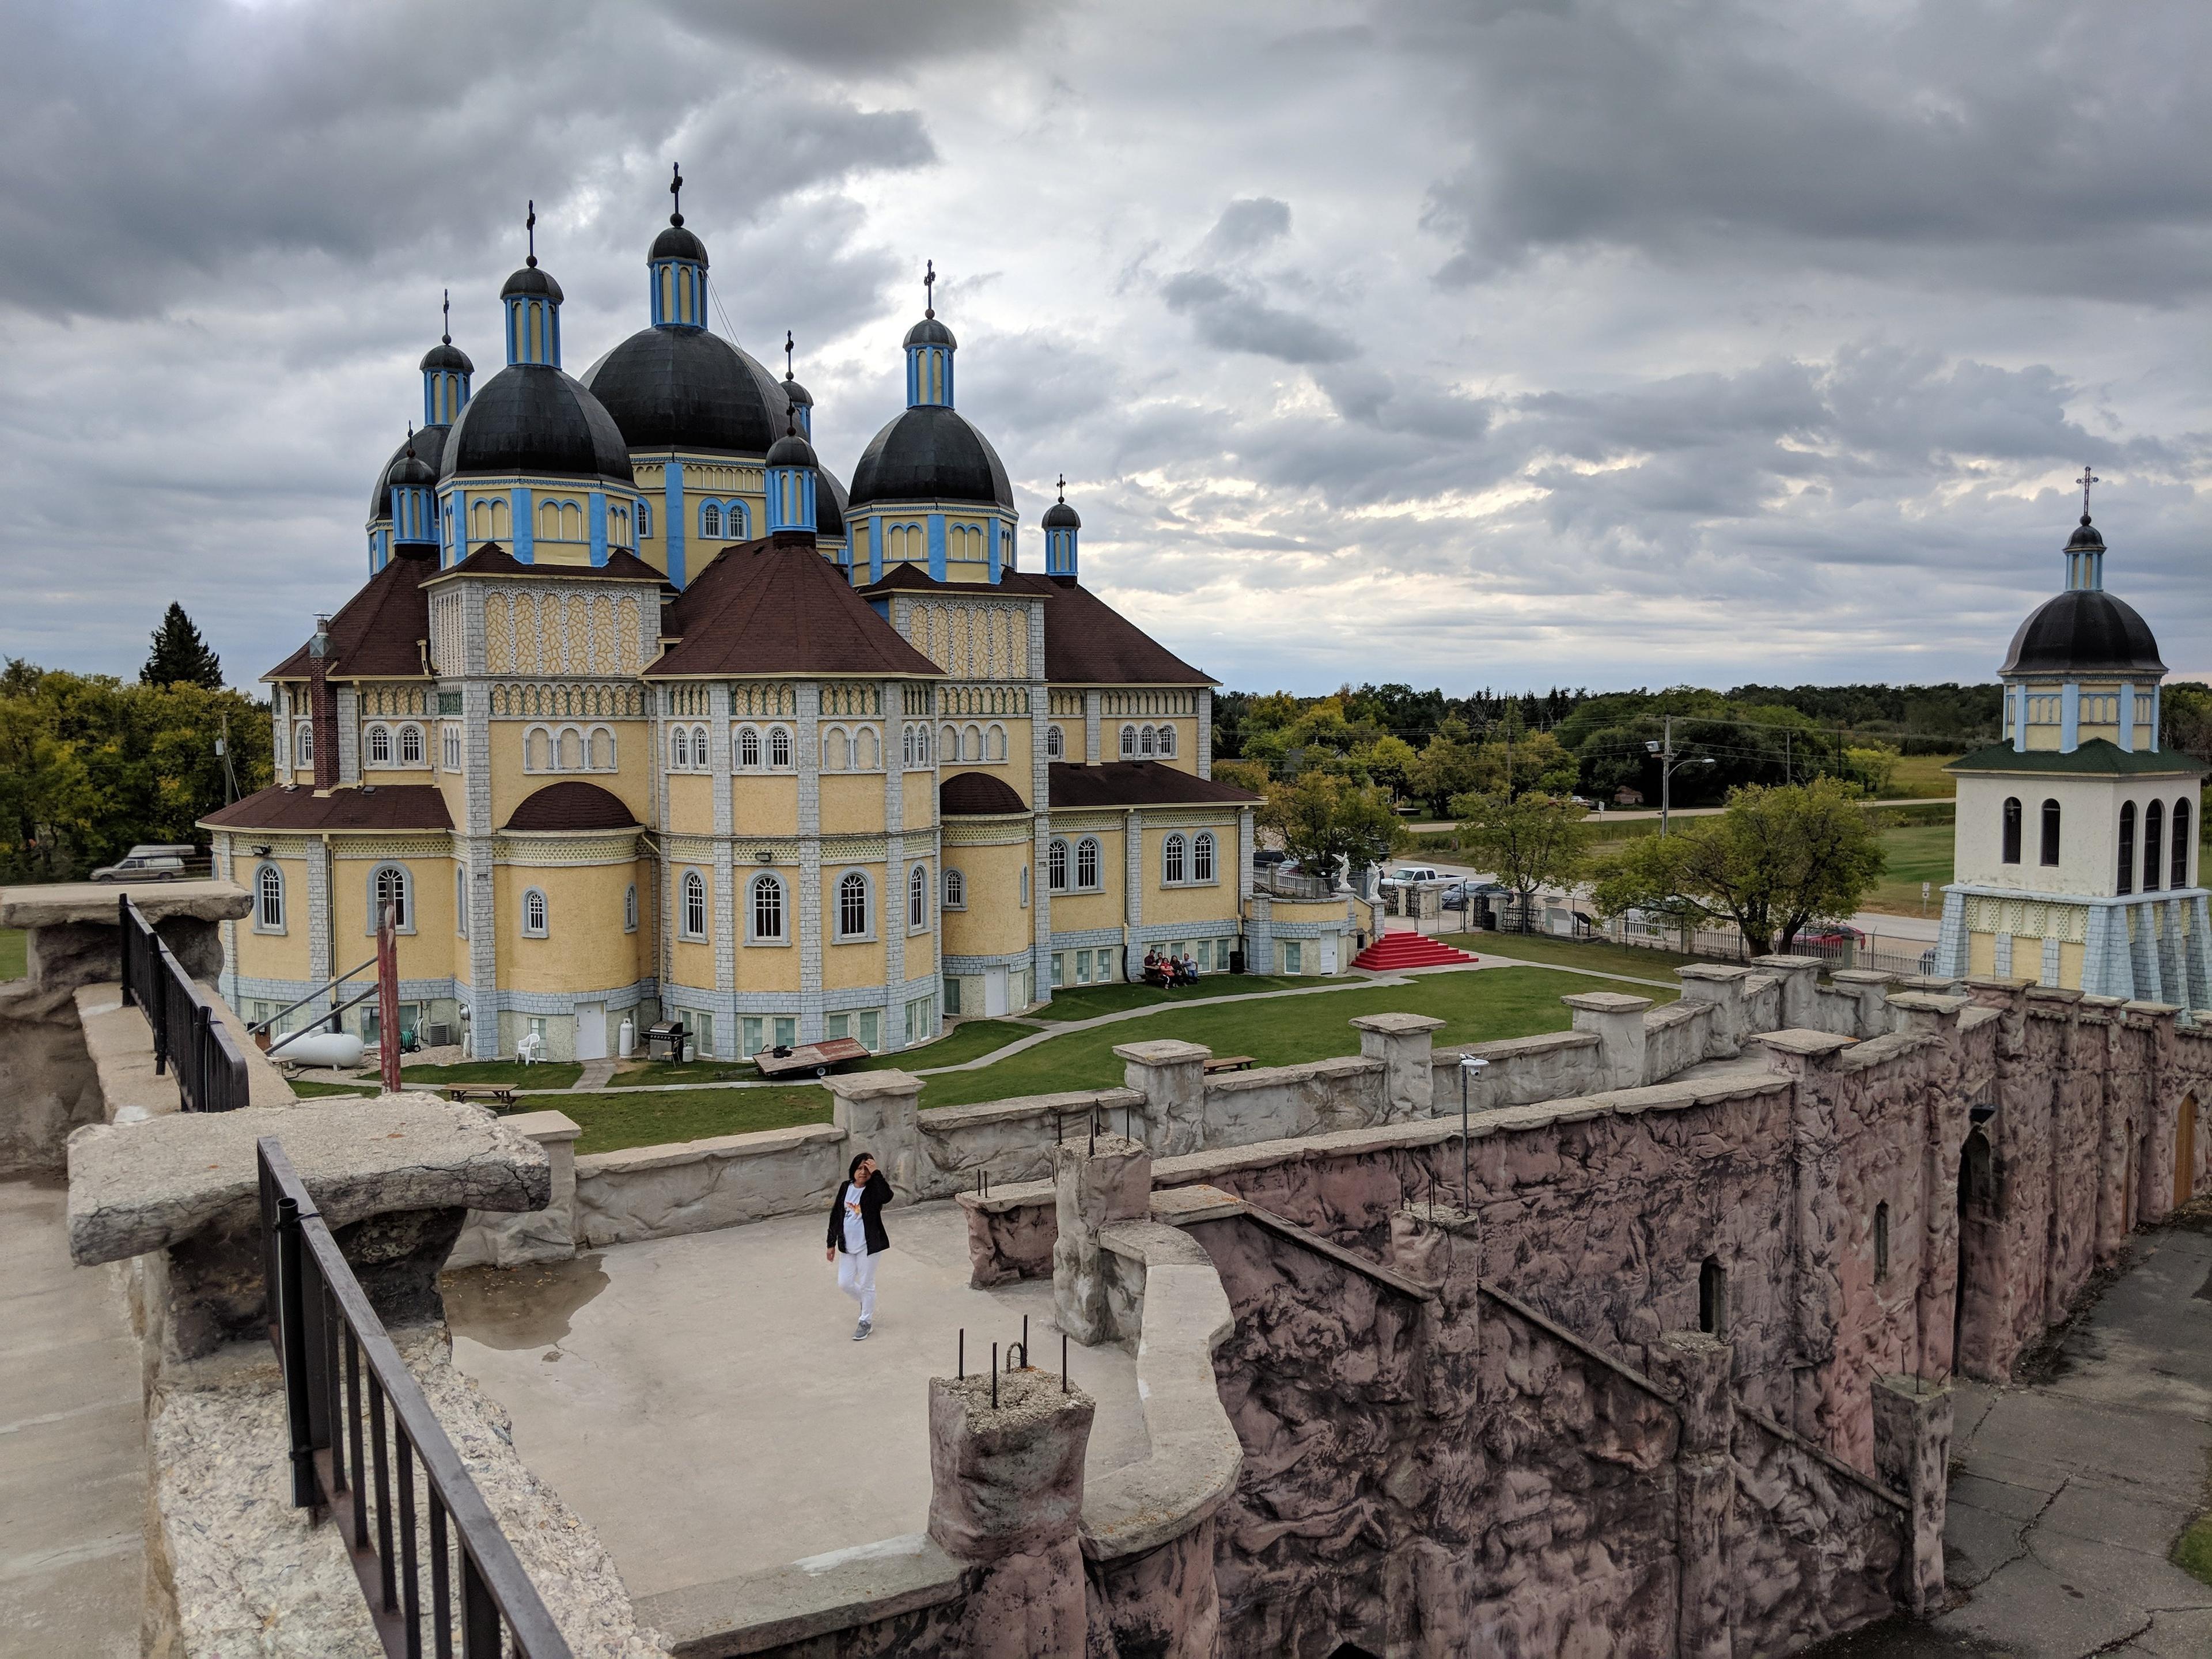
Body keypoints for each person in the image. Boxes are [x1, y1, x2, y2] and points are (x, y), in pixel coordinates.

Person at [825, 1152, 892, 1340]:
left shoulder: (873, 1191)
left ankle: (866, 1321)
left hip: (868, 1246)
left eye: (867, 1169)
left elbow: (887, 1196)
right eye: (859, 1168)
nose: (862, 1172)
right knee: (844, 1283)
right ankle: (867, 1303)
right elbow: (836, 1215)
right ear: (853, 1170)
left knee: (866, 1283)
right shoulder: (846, 1187)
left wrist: (877, 1173)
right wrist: (831, 1243)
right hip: (847, 1245)